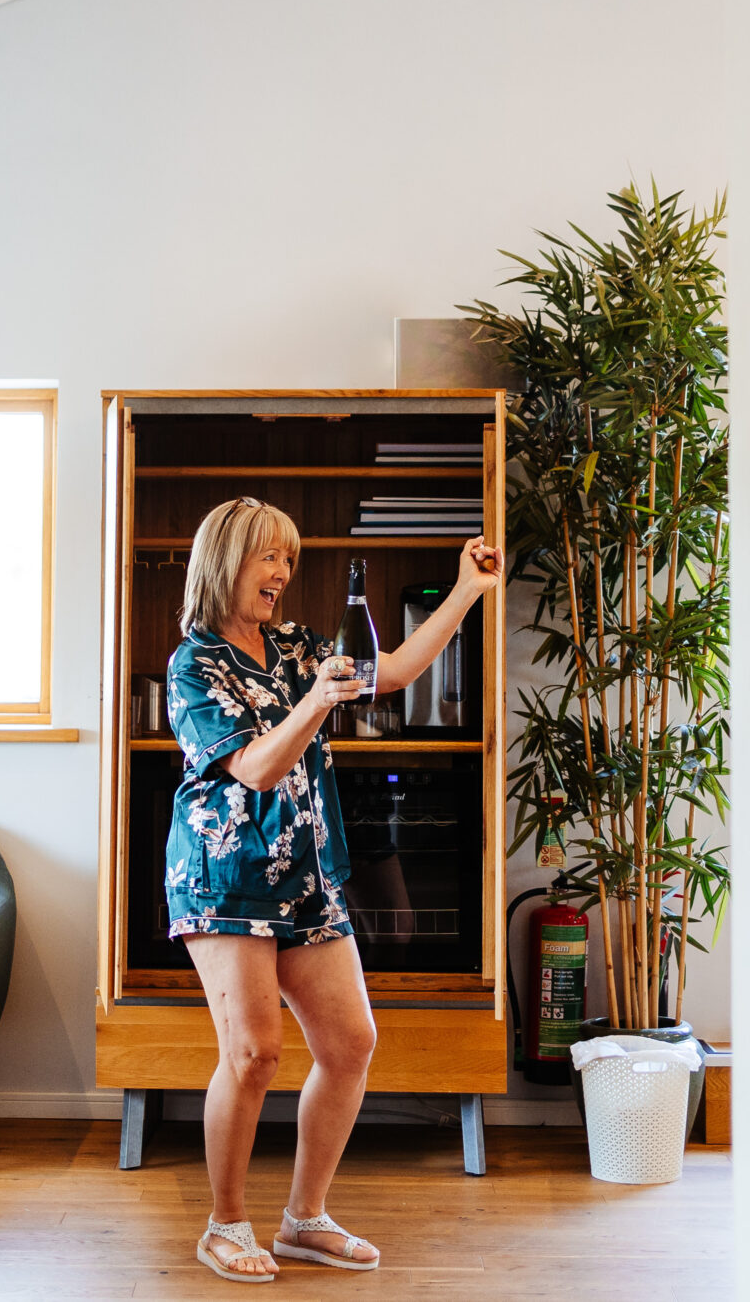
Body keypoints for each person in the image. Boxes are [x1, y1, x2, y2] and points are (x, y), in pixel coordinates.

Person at [164, 496, 502, 1284]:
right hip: (227, 877)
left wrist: (464, 590)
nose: (283, 571)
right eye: (268, 556)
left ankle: (304, 1218)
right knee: (253, 1053)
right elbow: (253, 767)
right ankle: (224, 1224)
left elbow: (395, 671)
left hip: (308, 873)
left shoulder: (297, 646)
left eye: (289, 557)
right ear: (225, 561)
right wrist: (318, 699)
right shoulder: (195, 664)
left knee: (350, 1043)